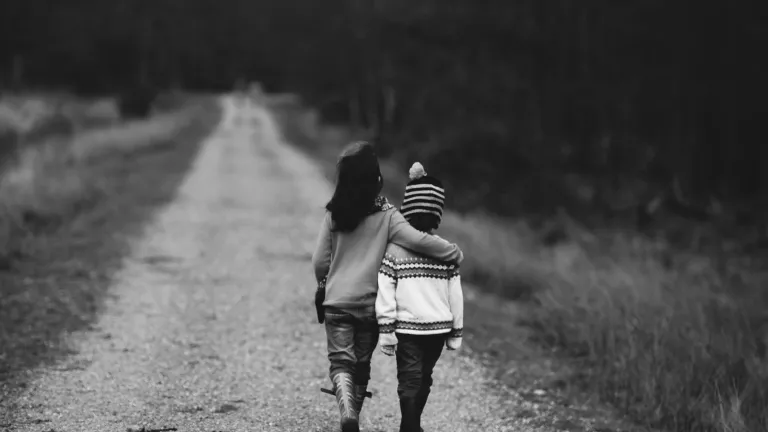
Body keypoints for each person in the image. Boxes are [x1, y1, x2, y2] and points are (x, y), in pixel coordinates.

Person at [312, 142, 464, 432]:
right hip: (370, 306)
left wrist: (325, 283)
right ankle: (353, 407)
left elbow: (320, 261)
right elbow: (418, 240)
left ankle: (348, 411)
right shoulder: (389, 216)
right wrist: (452, 252)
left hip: (337, 303)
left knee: (341, 361)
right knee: (361, 364)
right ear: (376, 180)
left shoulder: (334, 215)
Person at [375, 162, 464, 432]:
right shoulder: (446, 253)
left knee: (410, 379)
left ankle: (409, 425)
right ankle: (412, 425)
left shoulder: (394, 251)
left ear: (407, 210)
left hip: (408, 329)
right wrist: (456, 331)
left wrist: (386, 329)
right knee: (424, 378)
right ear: (438, 213)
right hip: (438, 328)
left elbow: (385, 291)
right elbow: (455, 295)